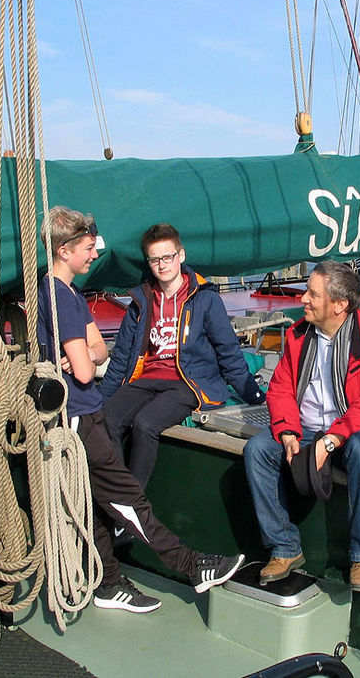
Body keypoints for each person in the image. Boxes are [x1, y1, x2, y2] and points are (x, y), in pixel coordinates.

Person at [37, 206, 243, 613]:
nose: (95, 253)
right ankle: (192, 565)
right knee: (131, 499)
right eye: (86, 247)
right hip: (79, 415)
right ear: (64, 251)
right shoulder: (63, 297)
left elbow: (99, 349)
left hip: (79, 413)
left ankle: (108, 582)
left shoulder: (63, 292)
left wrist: (86, 356)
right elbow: (85, 367)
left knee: (94, 502)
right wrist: (85, 358)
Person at [243, 260, 360, 592]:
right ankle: (284, 548)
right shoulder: (298, 336)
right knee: (258, 451)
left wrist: (332, 440)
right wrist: (289, 432)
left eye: (312, 294)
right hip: (307, 428)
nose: (303, 300)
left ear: (339, 305)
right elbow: (280, 388)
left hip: (351, 431)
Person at [99, 223, 265, 489]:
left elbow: (229, 353)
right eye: (155, 259)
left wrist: (256, 397)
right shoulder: (141, 302)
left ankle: (133, 505)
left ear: (181, 255)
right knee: (107, 418)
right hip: (148, 379)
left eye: (168, 257)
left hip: (188, 382)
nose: (163, 265)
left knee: (145, 423)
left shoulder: (205, 300)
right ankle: (120, 497)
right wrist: (98, 402)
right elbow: (120, 360)